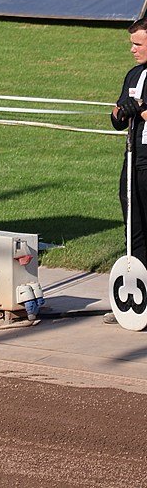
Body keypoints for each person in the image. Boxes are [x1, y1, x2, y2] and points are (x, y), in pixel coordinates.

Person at [106, 16, 147, 323]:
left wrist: (141, 110)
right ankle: (137, 299)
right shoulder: (133, 74)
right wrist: (120, 115)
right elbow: (117, 111)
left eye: (138, 44)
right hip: (133, 159)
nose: (132, 49)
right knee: (133, 226)